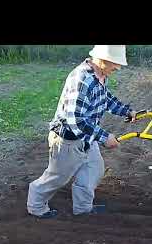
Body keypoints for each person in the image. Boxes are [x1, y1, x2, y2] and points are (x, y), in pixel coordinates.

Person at [27, 45, 137, 219]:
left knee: (94, 169)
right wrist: (104, 137)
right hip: (67, 139)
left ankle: (83, 208)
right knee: (58, 177)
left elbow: (105, 98)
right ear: (102, 59)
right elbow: (76, 120)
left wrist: (127, 111)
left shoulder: (99, 75)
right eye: (115, 63)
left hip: (86, 136)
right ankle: (36, 206)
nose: (118, 68)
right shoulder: (82, 80)